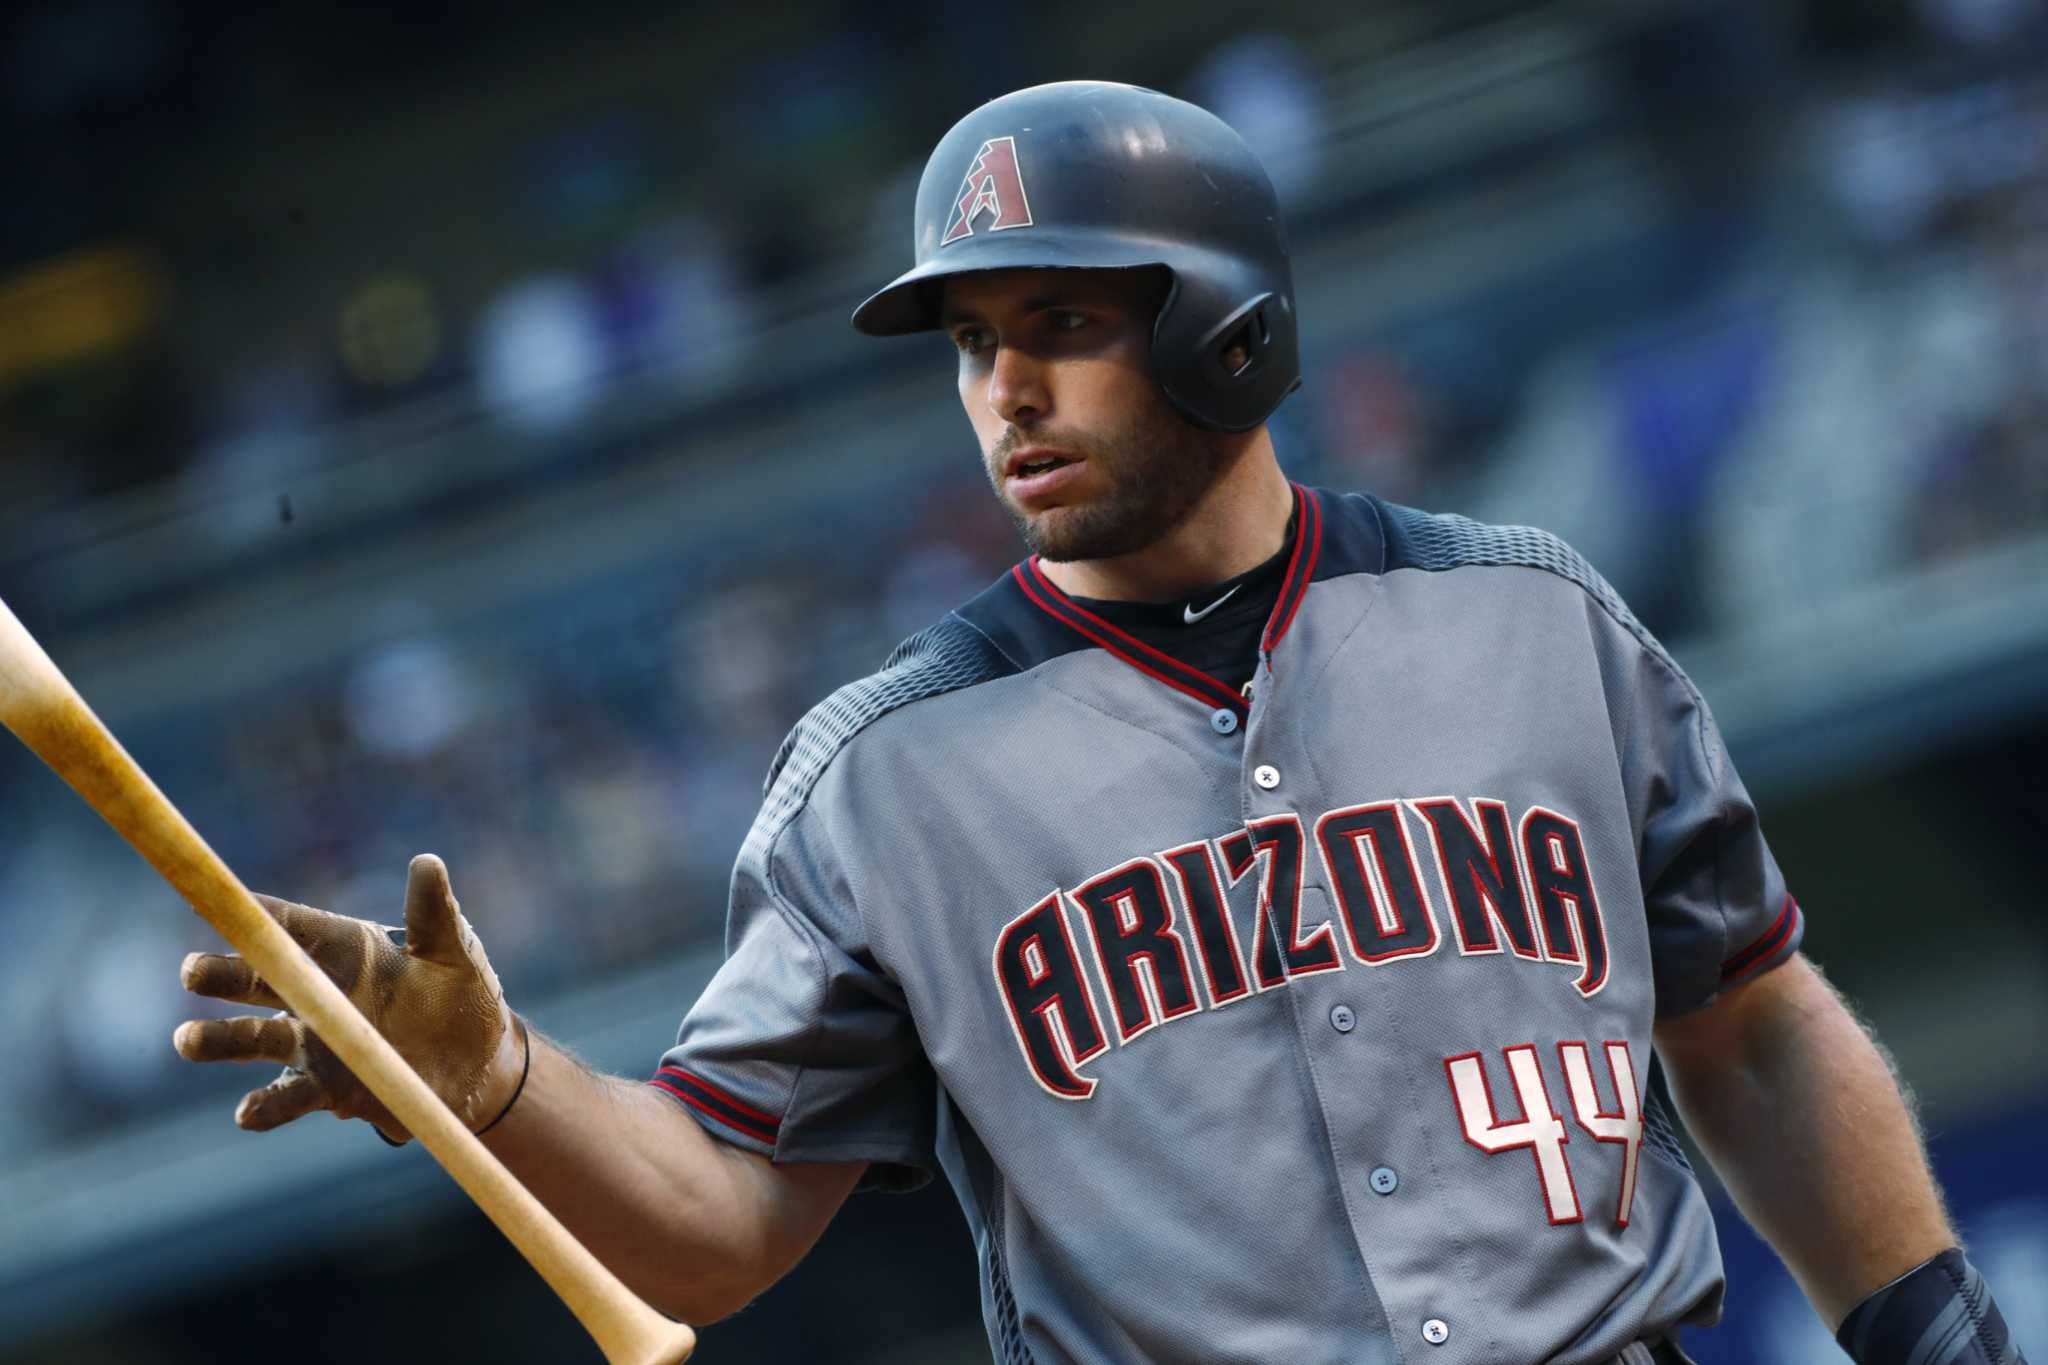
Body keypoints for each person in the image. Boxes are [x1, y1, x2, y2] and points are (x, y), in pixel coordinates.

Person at [175, 82, 2025, 1365]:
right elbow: (717, 1223)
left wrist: (1930, 1325)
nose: (1004, 389)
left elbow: (1756, 1029)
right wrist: (492, 1081)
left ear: (1232, 327)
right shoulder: (879, 776)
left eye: (1057, 318)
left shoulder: (1534, 620)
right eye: (973, 343)